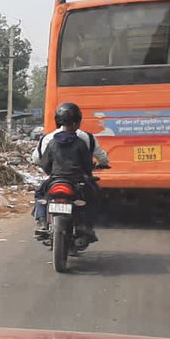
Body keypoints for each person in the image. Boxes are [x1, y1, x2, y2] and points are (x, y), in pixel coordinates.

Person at [31, 102, 109, 240]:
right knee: (94, 195)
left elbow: (41, 161)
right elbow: (88, 163)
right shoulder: (84, 139)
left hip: (54, 179)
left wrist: (51, 172)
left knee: (40, 195)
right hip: (77, 180)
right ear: (78, 121)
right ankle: (85, 225)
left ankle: (41, 222)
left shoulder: (49, 139)